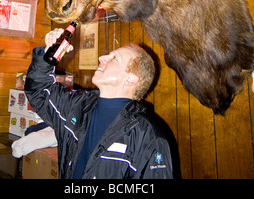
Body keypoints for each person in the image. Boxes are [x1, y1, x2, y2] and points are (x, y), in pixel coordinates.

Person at [24, 27, 174, 179]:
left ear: (130, 79)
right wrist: (47, 54)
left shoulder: (148, 136)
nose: (102, 57)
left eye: (114, 58)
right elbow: (39, 91)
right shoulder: (77, 106)